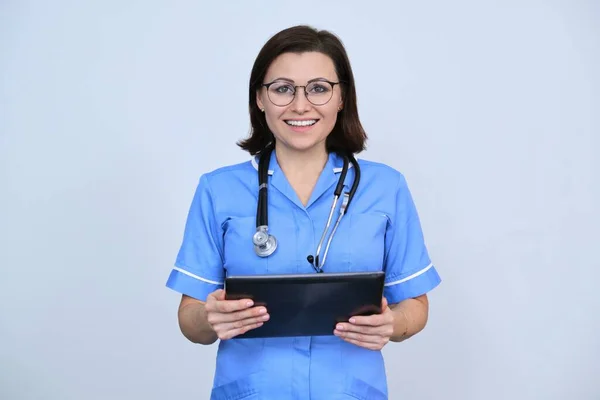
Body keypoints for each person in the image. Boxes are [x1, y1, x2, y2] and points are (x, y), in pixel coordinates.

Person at [165, 25, 441, 400]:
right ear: (260, 99)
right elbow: (191, 320)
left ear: (341, 97)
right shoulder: (218, 190)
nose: (300, 105)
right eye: (282, 89)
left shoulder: (386, 188)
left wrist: (392, 324)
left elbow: (415, 305)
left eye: (318, 88)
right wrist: (209, 318)